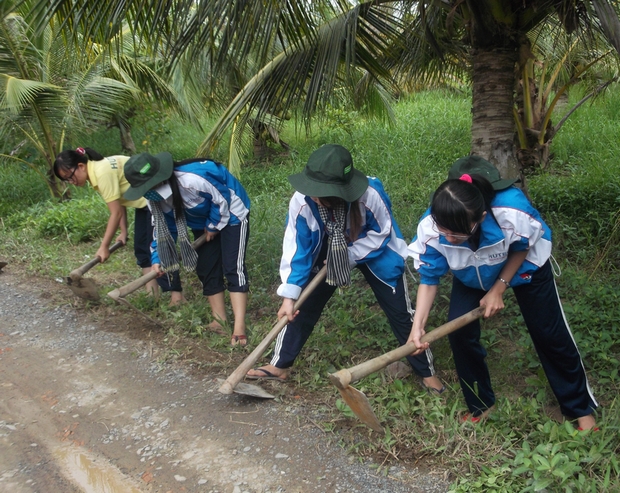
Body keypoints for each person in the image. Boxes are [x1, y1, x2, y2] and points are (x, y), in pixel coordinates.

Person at [407, 155, 598, 430]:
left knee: (549, 332)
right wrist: (418, 327)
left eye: (457, 234)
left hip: (523, 267)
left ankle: (581, 411)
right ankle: (481, 405)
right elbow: (429, 277)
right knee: (459, 332)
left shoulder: (512, 212)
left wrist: (499, 288)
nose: (448, 238)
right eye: (443, 230)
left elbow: (523, 246)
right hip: (471, 274)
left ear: (481, 217)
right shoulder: (431, 226)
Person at [245, 144, 444, 393]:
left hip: (375, 249)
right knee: (300, 307)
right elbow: (297, 249)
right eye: (313, 190)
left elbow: (382, 234)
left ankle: (426, 371)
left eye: (321, 193)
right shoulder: (302, 201)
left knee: (400, 311)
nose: (314, 196)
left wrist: (344, 256)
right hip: (326, 247)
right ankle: (280, 366)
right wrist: (289, 295)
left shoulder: (370, 194)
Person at [123, 151, 251, 346]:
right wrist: (157, 259)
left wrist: (212, 225)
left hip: (232, 213)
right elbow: (163, 228)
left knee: (233, 266)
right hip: (199, 219)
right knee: (207, 266)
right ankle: (219, 321)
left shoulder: (192, 178)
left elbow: (222, 199)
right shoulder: (154, 199)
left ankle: (239, 329)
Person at [53, 147, 168, 299]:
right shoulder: (99, 168)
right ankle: (152, 294)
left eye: (70, 176)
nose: (71, 182)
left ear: (80, 166)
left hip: (156, 198)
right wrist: (123, 231)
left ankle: (175, 295)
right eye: (66, 180)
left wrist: (104, 247)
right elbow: (119, 202)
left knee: (156, 249)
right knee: (142, 249)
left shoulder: (102, 174)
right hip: (144, 203)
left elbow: (116, 213)